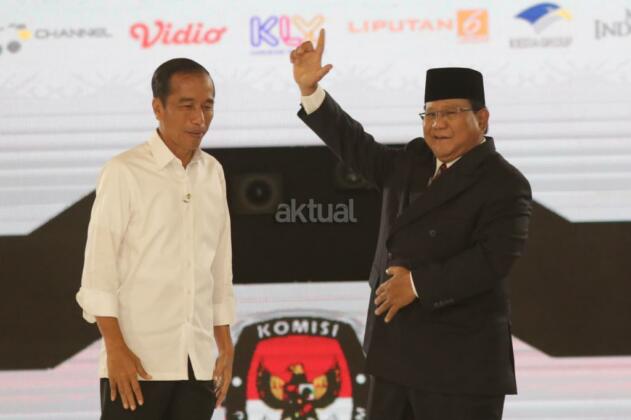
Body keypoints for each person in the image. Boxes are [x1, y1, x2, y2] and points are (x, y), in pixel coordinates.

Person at [290, 29, 532, 420]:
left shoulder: (505, 183)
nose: (438, 124)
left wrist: (417, 285)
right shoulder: (414, 160)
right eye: (430, 114)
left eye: (450, 113)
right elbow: (357, 146)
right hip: (394, 356)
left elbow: (492, 261)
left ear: (482, 118)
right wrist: (310, 91)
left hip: (461, 366)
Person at [76, 58, 235, 420]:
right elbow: (99, 271)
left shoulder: (213, 173)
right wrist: (115, 349)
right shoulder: (124, 171)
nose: (199, 118)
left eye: (207, 106)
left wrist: (224, 344)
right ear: (158, 108)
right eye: (186, 106)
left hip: (198, 362)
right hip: (137, 362)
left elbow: (219, 266)